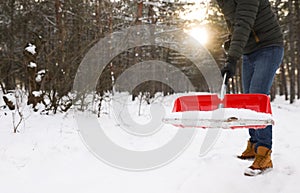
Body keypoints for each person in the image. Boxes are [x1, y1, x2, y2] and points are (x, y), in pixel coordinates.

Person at [216, 0, 284, 176]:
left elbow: (244, 22)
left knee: (257, 97)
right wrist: (232, 43)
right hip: (249, 51)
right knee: (248, 100)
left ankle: (264, 152)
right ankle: (254, 144)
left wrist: (232, 58)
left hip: (268, 47)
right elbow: (236, 24)